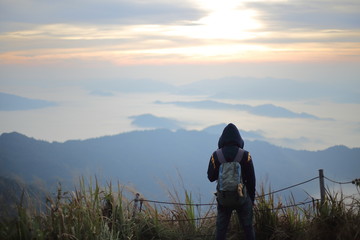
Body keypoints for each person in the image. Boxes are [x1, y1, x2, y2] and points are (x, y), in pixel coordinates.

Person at [207, 123, 256, 240]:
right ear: (239, 139)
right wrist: (252, 199)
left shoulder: (216, 155)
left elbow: (211, 177)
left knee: (221, 229)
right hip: (242, 197)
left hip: (224, 197)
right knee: (248, 227)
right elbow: (251, 179)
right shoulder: (245, 155)